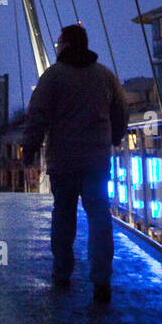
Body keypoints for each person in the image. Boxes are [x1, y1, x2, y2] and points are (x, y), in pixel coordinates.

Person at [21, 23, 128, 303]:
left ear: (66, 45)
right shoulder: (104, 76)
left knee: (64, 214)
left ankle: (62, 272)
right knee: (99, 216)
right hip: (96, 160)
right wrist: (114, 137)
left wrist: (29, 149)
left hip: (63, 161)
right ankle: (101, 279)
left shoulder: (53, 77)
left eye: (59, 44)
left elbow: (38, 116)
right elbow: (121, 111)